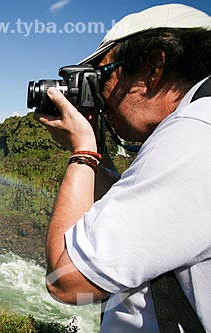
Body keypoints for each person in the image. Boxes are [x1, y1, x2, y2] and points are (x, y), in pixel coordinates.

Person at [34, 4, 211, 332]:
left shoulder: (195, 133)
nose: (100, 96)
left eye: (102, 76)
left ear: (153, 68)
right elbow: (130, 211)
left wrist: (83, 153)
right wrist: (95, 151)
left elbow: (66, 281)